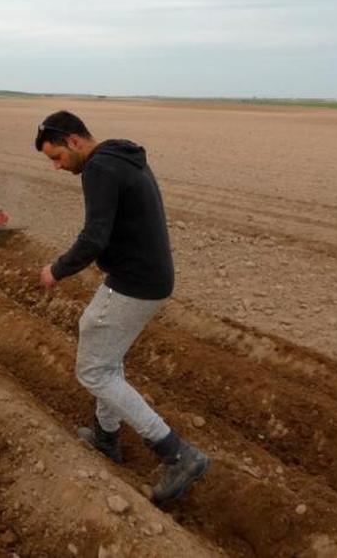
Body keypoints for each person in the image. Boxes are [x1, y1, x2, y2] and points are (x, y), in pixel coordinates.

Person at [35, 110, 210, 504]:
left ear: (74, 141)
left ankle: (177, 453)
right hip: (144, 278)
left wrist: (56, 270)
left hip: (135, 283)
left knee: (94, 370)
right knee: (97, 341)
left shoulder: (100, 169)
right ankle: (105, 436)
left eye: (57, 157)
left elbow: (94, 236)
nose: (56, 167)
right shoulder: (119, 159)